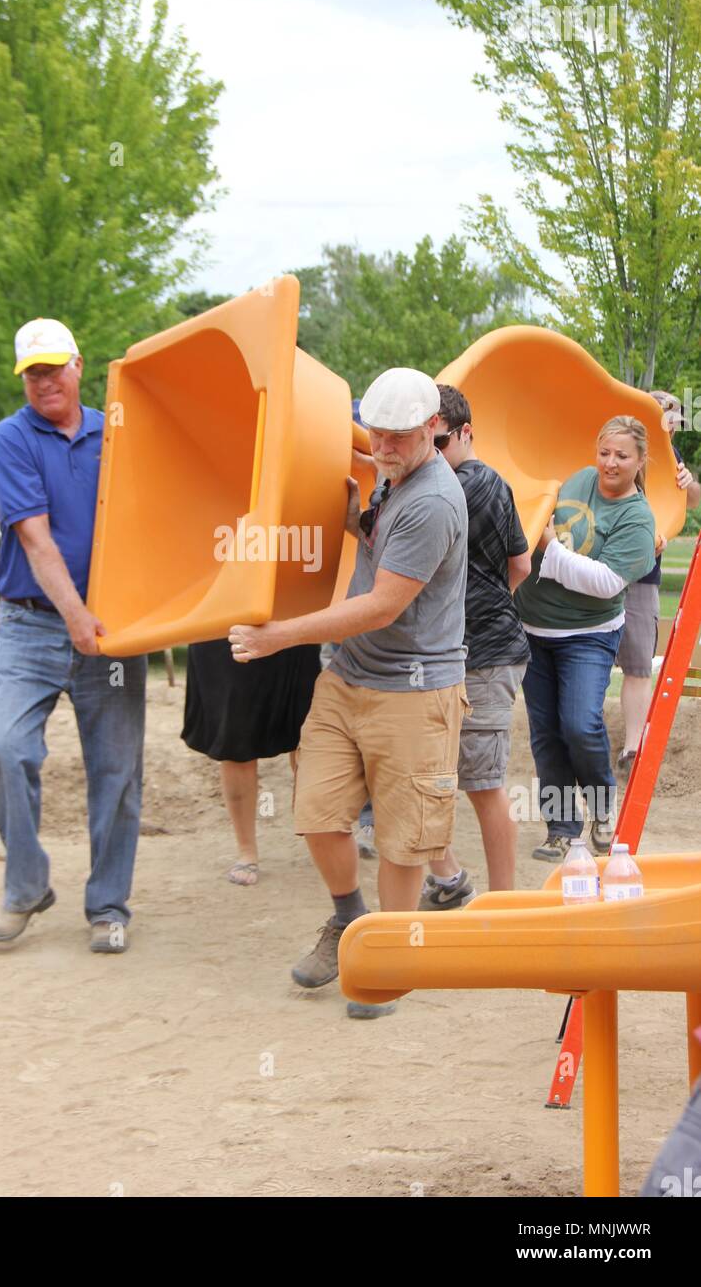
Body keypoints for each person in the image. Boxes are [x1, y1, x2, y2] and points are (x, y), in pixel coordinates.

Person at [228, 367, 470, 1018]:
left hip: (415, 692)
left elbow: (382, 606)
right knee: (316, 811)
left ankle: (386, 957)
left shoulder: (433, 501)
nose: (381, 449)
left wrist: (279, 635)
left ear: (432, 430)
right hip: (348, 678)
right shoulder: (394, 476)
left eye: (396, 438)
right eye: (376, 434)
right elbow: (375, 511)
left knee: (402, 840)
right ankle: (347, 920)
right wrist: (354, 522)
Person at [0, 318, 147, 953]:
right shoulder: (11, 440)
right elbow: (35, 538)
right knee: (5, 745)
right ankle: (26, 887)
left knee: (117, 771)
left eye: (54, 367)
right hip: (31, 624)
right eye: (33, 373)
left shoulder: (121, 432)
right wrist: (77, 618)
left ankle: (108, 906)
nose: (45, 381)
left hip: (115, 625)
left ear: (79, 365)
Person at [514, 417, 656, 861]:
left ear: (640, 461)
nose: (610, 463)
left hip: (588, 636)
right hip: (534, 630)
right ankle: (560, 828)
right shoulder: (579, 479)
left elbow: (605, 582)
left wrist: (550, 548)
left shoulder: (638, 517)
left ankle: (600, 808)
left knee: (580, 723)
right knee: (546, 733)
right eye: (604, 452)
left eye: (621, 455)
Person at [419, 384, 531, 905]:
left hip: (484, 656)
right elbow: (520, 564)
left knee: (483, 784)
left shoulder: (469, 484)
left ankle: (503, 907)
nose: (430, 454)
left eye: (438, 442)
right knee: (417, 773)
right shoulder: (489, 483)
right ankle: (450, 880)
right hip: (456, 654)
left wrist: (476, 612)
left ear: (465, 433)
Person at [181, 638, 321, 885]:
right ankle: (246, 851)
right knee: (235, 740)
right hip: (222, 625)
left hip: (292, 621)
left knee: (308, 734)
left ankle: (317, 832)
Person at [616, 390, 700, 776]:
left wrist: (688, 482)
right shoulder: (617, 449)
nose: (672, 427)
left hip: (644, 576)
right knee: (590, 659)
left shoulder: (671, 457)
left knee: (637, 664)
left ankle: (632, 748)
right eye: (668, 418)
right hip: (603, 570)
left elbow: (694, 501)